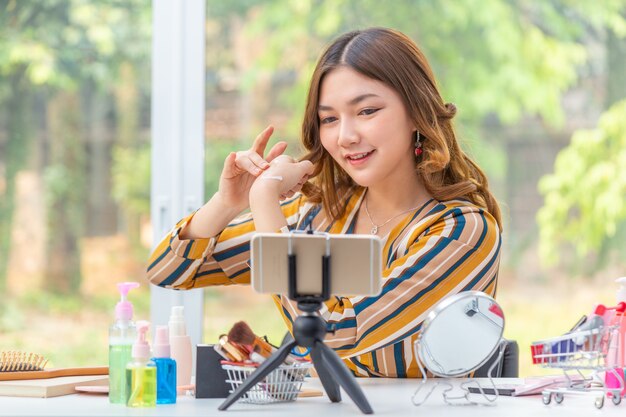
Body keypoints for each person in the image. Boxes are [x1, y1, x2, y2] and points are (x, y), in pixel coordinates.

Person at [147, 27, 502, 378]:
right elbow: (168, 271)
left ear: (415, 112)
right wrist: (228, 202)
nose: (345, 136)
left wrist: (265, 198)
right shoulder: (317, 215)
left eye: (367, 111)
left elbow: (334, 332)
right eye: (329, 119)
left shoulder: (463, 232)